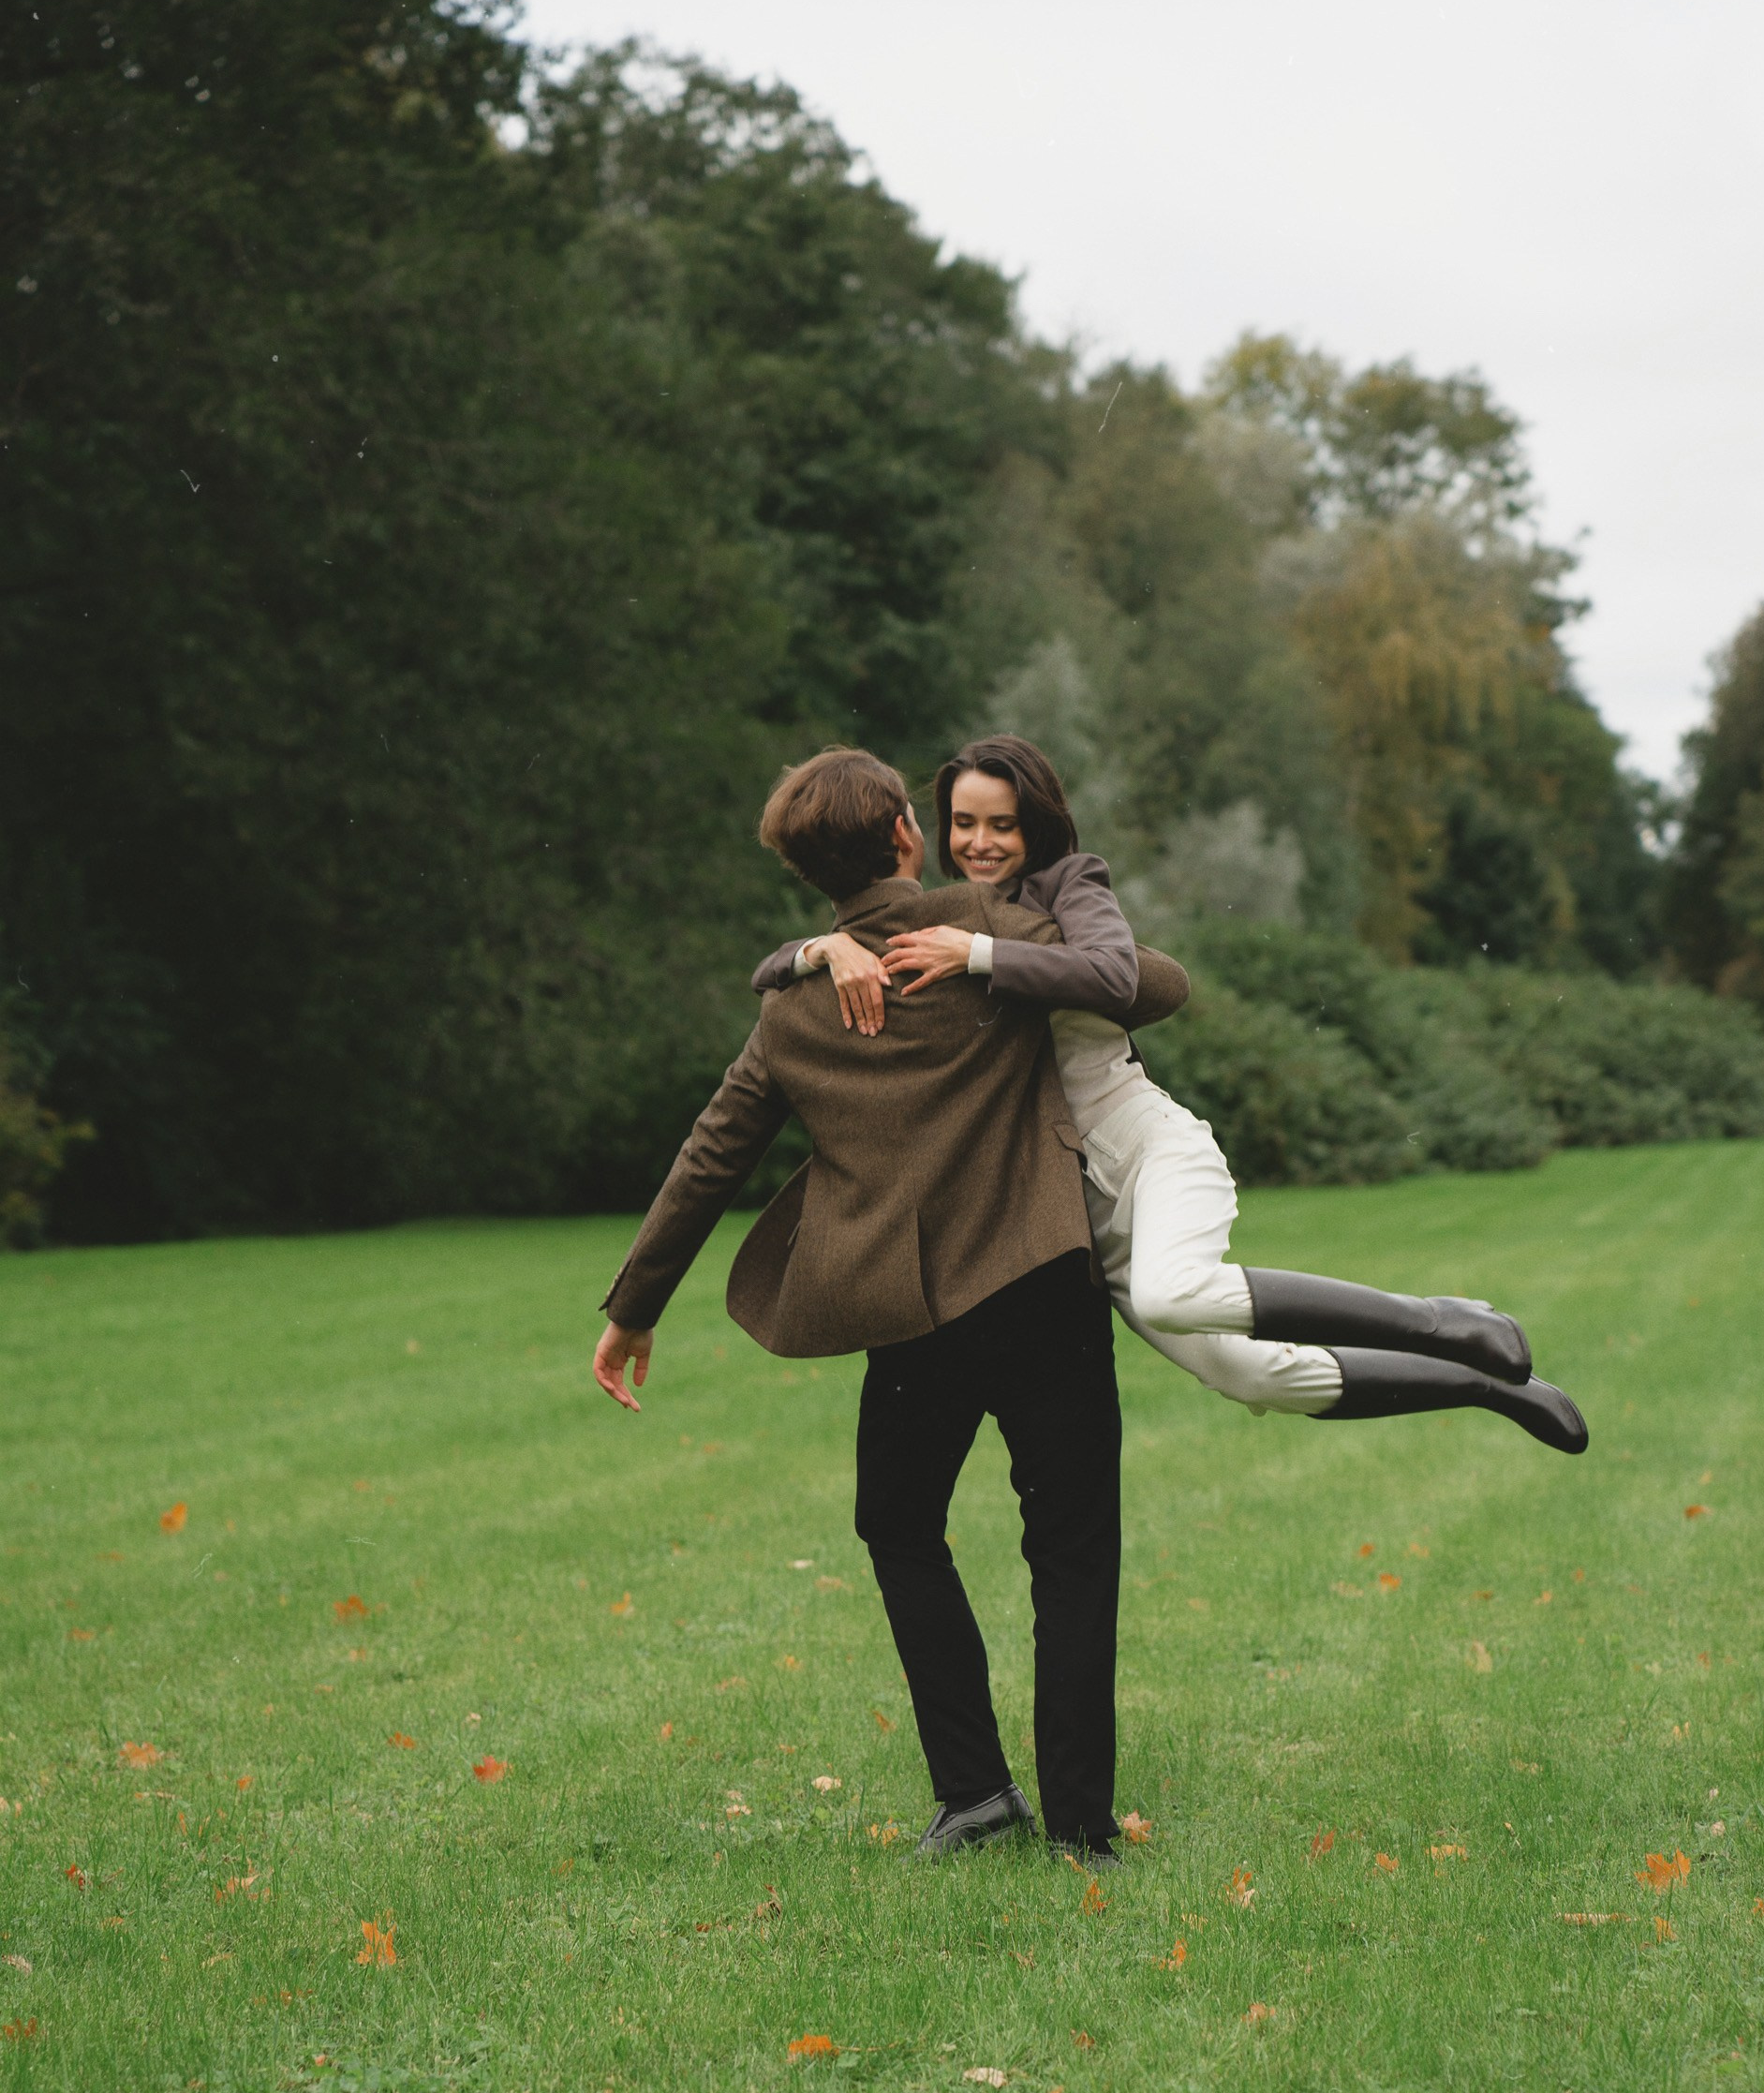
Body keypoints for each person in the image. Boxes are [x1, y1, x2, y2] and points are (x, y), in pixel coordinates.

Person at [593, 747, 1188, 1869]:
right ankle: (1077, 1828)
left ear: (806, 868)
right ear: (909, 836)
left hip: (916, 1319)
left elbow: (712, 1153)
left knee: (899, 1526)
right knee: (1070, 1550)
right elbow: (1152, 985)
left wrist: (635, 1306)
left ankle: (971, 1791)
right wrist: (990, 951)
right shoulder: (993, 921)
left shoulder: (795, 1004)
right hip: (1037, 1283)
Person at [752, 735, 1587, 1454]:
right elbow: (780, 970)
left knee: (1172, 1292)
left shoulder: (1067, 888)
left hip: (1146, 1148)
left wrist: (981, 956)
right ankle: (1485, 1388)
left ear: (1035, 823)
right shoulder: (933, 918)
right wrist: (816, 952)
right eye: (963, 823)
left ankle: (1441, 1319)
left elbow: (1120, 974)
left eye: (1002, 824)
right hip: (1078, 1208)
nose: (979, 842)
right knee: (1255, 1374)